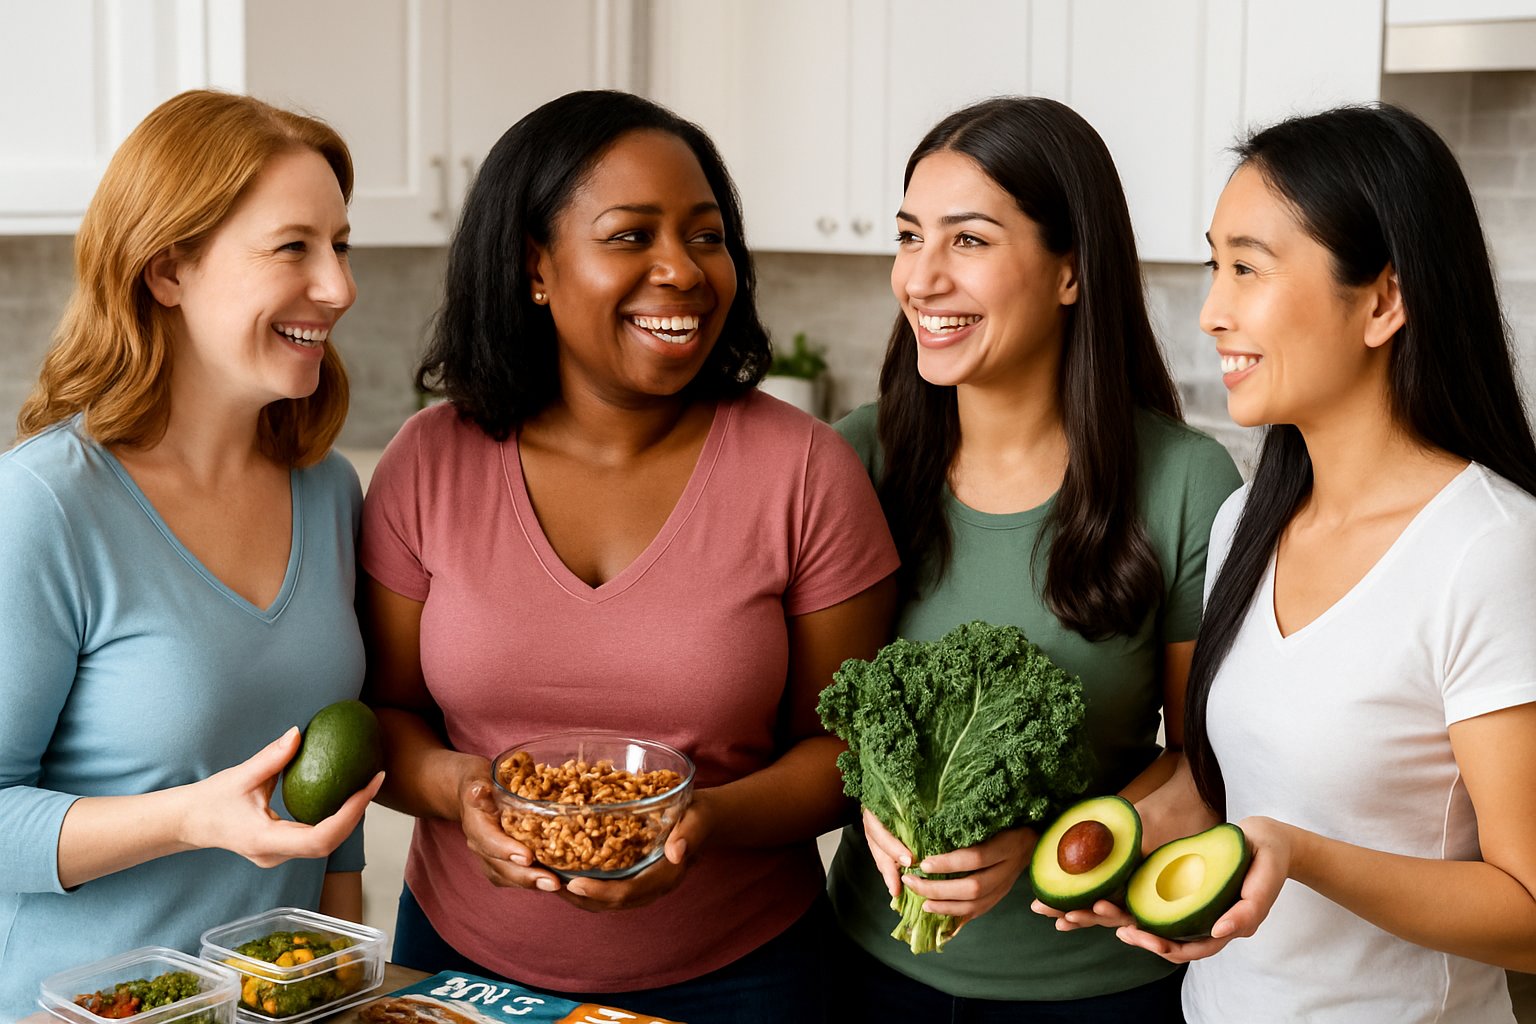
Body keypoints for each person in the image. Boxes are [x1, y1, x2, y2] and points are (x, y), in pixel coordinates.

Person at [358, 89, 897, 1023]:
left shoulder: (805, 468)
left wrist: (702, 825)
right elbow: (387, 714)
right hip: (459, 967)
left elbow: (845, 749)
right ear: (535, 266)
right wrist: (461, 794)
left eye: (706, 235)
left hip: (744, 978)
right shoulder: (427, 462)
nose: (683, 271)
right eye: (629, 236)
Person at [1040, 103, 1536, 1023]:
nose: (1212, 311)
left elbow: (1531, 909)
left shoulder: (1492, 549)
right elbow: (1238, 785)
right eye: (1213, 263)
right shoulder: (1246, 523)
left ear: (1384, 301)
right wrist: (1127, 840)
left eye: (1248, 268)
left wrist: (1299, 854)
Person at [826, 96, 1241, 1020]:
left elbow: (1208, 770)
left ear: (1070, 271)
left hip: (1097, 989)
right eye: (908, 236)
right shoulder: (853, 461)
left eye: (967, 241)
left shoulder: (1184, 484)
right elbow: (817, 722)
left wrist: (1044, 842)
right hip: (866, 976)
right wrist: (871, 802)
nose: (922, 278)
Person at [0, 90, 381, 1018]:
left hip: (282, 1002)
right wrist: (186, 818)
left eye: (340, 245)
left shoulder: (327, 491)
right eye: (294, 247)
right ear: (168, 269)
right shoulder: (47, 504)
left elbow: (333, 817)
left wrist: (342, 990)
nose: (337, 286)